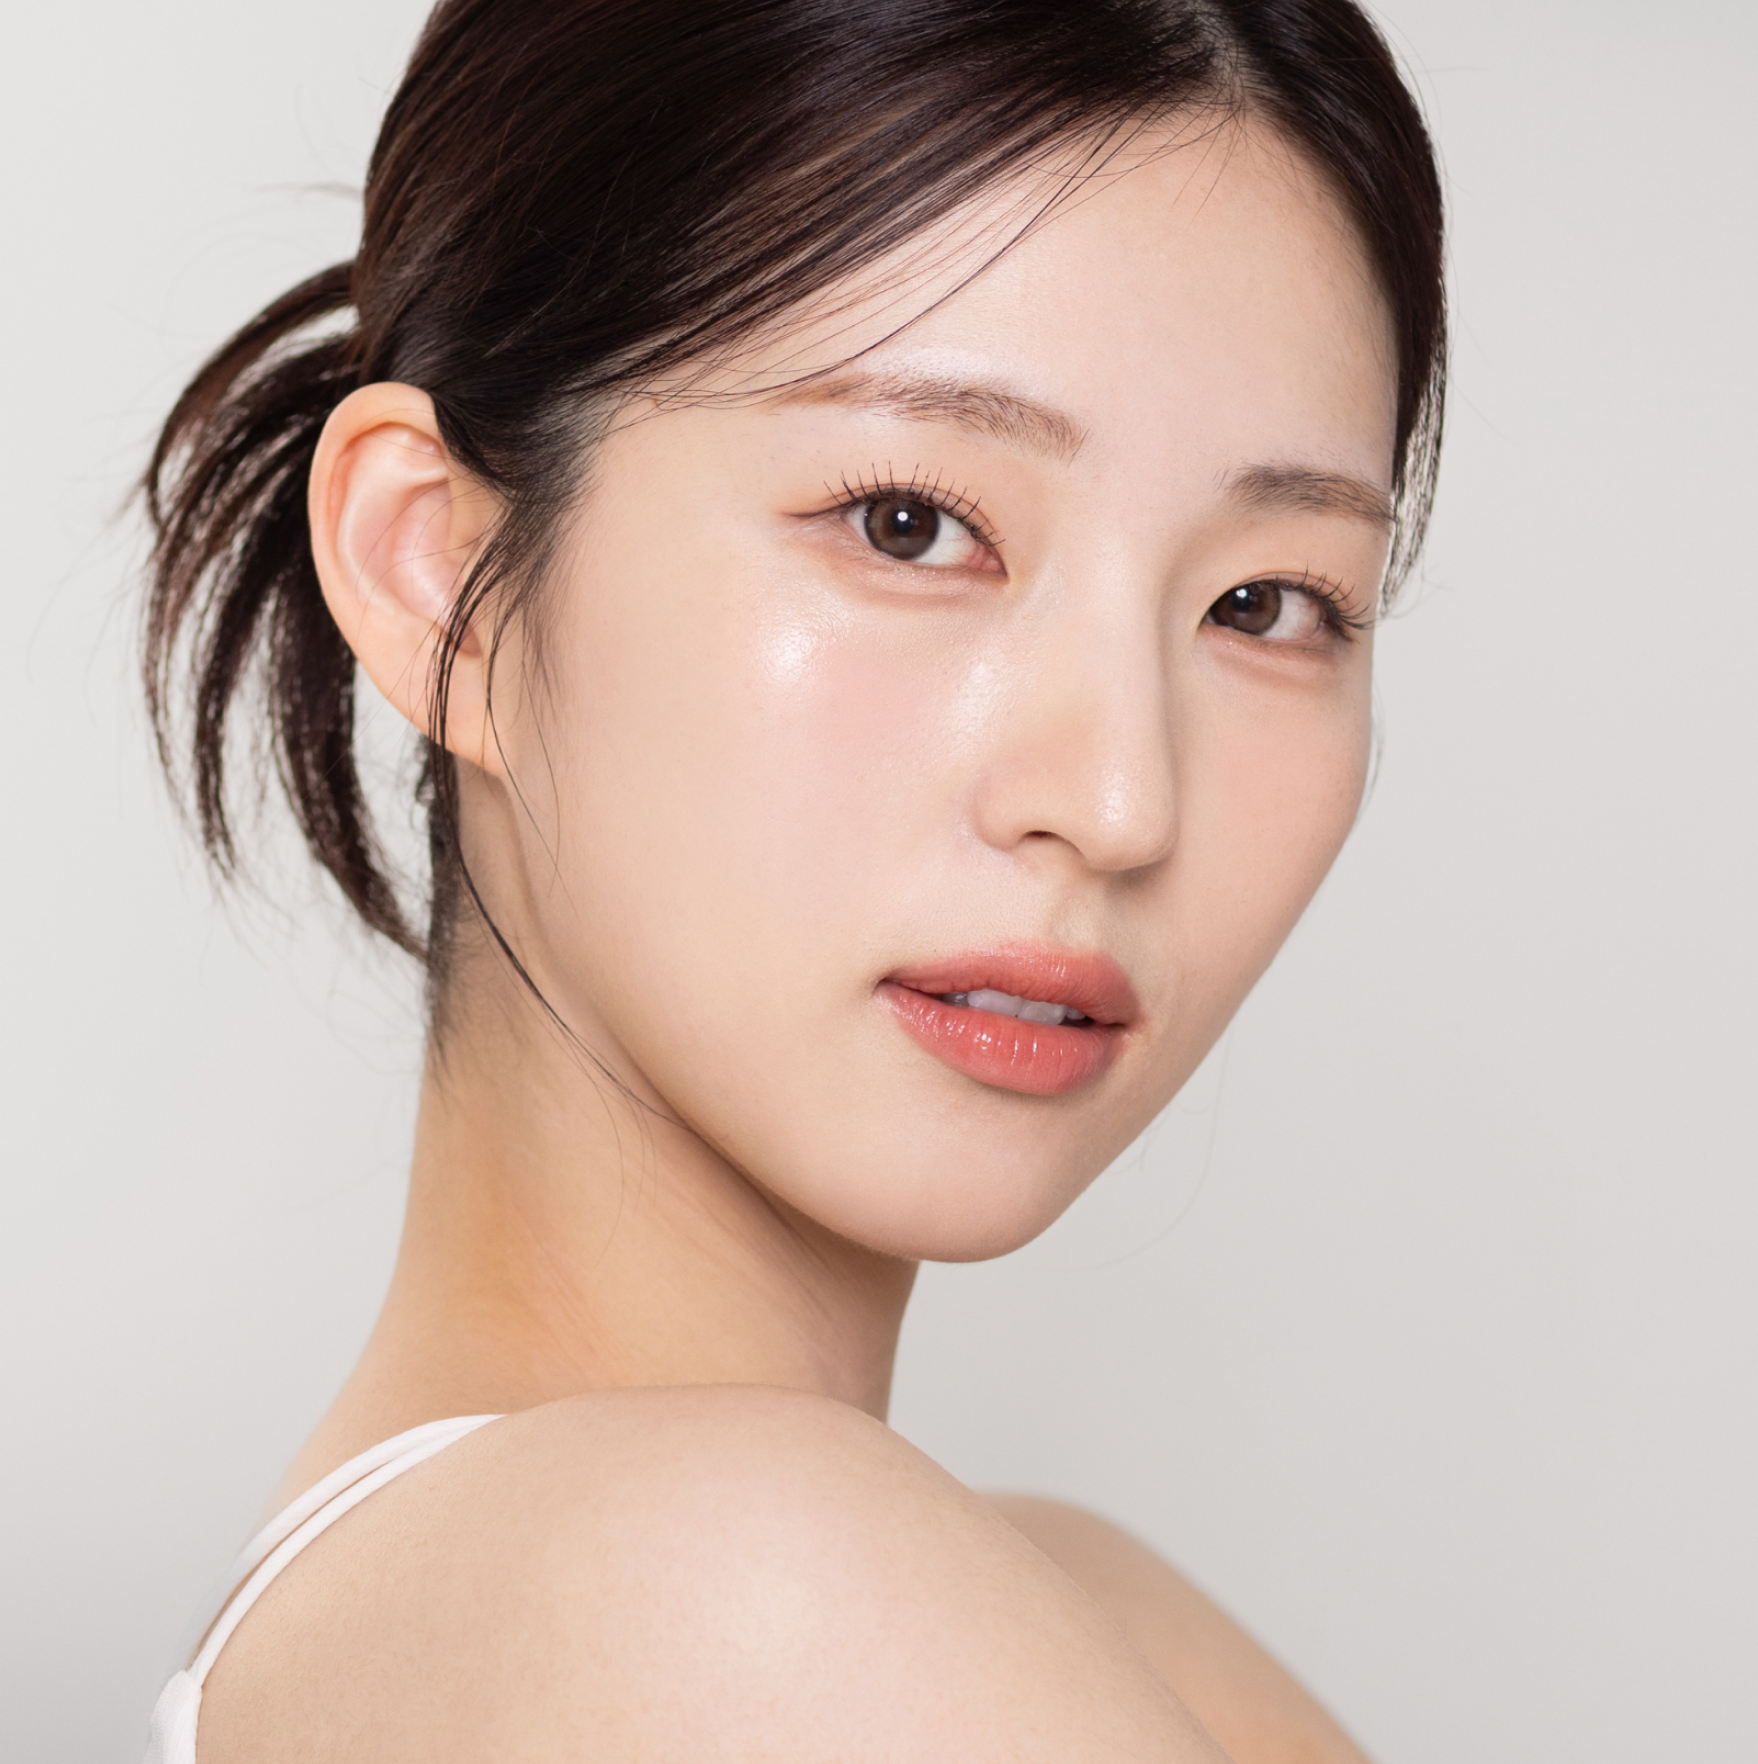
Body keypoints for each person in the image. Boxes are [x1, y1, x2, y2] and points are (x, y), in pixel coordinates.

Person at [139, 0, 1444, 1756]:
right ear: (439, 574)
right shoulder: (741, 1601)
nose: (1121, 800)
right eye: (912, 523)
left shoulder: (1061, 1602)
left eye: (1266, 604)